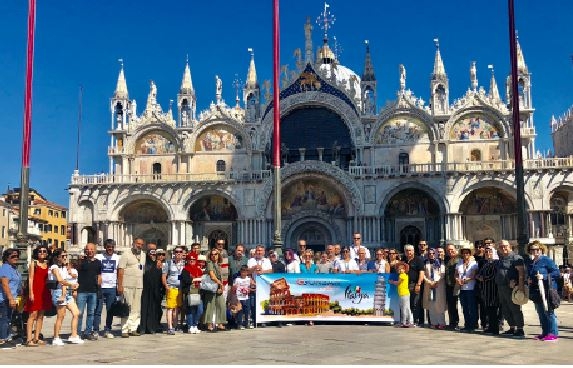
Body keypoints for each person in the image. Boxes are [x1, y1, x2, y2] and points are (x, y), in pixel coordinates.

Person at [526, 241, 560, 341]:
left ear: (541, 250)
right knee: (541, 312)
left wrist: (543, 276)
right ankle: (545, 333)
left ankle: (553, 334)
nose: (535, 251)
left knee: (549, 312)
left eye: (537, 249)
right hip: (536, 291)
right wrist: (529, 279)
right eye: (532, 249)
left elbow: (556, 273)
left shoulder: (546, 260)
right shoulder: (531, 262)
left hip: (547, 289)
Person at [48, 249, 83, 345]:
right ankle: (56, 337)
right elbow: (60, 280)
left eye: (65, 255)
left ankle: (74, 335)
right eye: (63, 256)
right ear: (57, 257)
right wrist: (71, 285)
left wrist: (74, 285)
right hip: (58, 292)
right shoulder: (54, 267)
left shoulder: (64, 267)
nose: (65, 258)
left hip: (67, 292)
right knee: (61, 315)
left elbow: (70, 278)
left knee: (76, 313)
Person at [495, 239, 525, 339]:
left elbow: (522, 272)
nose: (503, 248)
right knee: (505, 309)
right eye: (501, 246)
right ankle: (512, 327)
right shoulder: (501, 259)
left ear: (510, 247)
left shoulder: (516, 258)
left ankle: (520, 329)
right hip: (501, 287)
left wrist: (518, 284)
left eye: (505, 246)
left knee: (515, 309)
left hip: (512, 288)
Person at [24, 244, 52, 347]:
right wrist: (31, 292)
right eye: (40, 251)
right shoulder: (34, 263)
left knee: (41, 315)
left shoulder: (48, 264)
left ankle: (36, 338)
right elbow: (30, 278)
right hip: (35, 291)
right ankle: (29, 339)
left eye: (44, 251)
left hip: (44, 292)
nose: (42, 253)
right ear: (37, 253)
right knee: (32, 315)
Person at [117, 238, 145, 338]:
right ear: (133, 244)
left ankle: (133, 328)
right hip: (127, 285)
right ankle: (124, 329)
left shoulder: (143, 255)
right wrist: (120, 285)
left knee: (136, 308)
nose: (139, 246)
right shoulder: (126, 254)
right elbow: (120, 271)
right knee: (126, 307)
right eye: (138, 244)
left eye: (141, 244)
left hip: (138, 285)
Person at [76, 243, 103, 341]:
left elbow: (99, 276)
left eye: (92, 249)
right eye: (88, 249)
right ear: (85, 251)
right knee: (79, 313)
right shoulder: (80, 262)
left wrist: (99, 287)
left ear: (95, 251)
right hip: (81, 291)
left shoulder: (98, 262)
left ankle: (87, 332)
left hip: (93, 291)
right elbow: (73, 272)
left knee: (91, 313)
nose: (90, 251)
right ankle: (77, 333)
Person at [94, 239, 120, 339]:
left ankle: (108, 329)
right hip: (100, 287)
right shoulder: (99, 257)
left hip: (112, 287)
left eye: (112, 247)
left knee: (110, 310)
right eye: (108, 247)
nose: (110, 249)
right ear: (105, 247)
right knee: (98, 309)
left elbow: (119, 272)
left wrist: (119, 285)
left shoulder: (117, 258)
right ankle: (95, 329)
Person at [0, 248, 23, 349]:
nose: (16, 258)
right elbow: (5, 284)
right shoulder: (5, 268)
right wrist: (10, 298)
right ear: (6, 258)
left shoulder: (13, 268)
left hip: (12, 298)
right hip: (4, 299)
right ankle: (2, 340)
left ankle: (7, 338)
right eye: (13, 256)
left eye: (17, 256)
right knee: (4, 319)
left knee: (9, 319)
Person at [139, 244, 163, 335]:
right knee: (144, 308)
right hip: (145, 289)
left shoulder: (158, 264)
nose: (152, 255)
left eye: (154, 253)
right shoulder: (144, 263)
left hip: (155, 290)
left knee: (153, 308)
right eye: (151, 253)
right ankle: (143, 328)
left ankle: (152, 327)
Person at [475, 244, 499, 335]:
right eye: (486, 252)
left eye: (490, 252)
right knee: (488, 309)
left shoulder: (496, 262)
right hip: (485, 289)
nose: (488, 253)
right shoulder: (486, 263)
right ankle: (491, 327)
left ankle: (495, 329)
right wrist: (479, 276)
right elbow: (479, 273)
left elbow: (493, 275)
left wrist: (483, 278)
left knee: (493, 309)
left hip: (493, 289)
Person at [202, 249, 227, 332]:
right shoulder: (210, 263)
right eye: (212, 254)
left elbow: (221, 276)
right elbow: (212, 276)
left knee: (221, 304)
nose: (214, 256)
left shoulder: (218, 264)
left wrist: (221, 286)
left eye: (216, 254)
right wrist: (220, 283)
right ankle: (209, 324)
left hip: (218, 286)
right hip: (211, 287)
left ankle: (220, 323)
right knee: (210, 305)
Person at [455, 245, 478, 333]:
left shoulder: (474, 263)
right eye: (464, 253)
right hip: (462, 289)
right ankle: (467, 324)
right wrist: (457, 279)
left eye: (467, 253)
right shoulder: (459, 263)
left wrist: (464, 280)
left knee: (472, 307)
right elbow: (456, 274)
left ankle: (473, 325)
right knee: (464, 307)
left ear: (470, 253)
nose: (465, 254)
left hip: (470, 288)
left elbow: (473, 275)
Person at [422, 248, 446, 329]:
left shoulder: (440, 262)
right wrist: (429, 282)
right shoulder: (425, 262)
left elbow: (442, 274)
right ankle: (434, 322)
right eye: (429, 253)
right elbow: (423, 274)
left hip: (438, 286)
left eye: (433, 253)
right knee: (431, 304)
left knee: (439, 304)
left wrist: (436, 282)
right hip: (429, 286)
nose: (431, 255)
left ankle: (441, 322)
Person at [163, 246, 185, 335]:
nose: (178, 253)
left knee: (176, 308)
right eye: (177, 252)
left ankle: (175, 326)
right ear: (174, 253)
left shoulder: (184, 263)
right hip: (171, 287)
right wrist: (166, 285)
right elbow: (164, 275)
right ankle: (169, 327)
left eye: (180, 252)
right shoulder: (168, 263)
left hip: (180, 288)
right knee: (170, 308)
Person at [180, 252, 204, 334]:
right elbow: (186, 280)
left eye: (193, 259)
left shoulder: (198, 269)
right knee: (190, 310)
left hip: (198, 292)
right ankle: (190, 326)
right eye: (190, 259)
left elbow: (202, 279)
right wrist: (195, 280)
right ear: (187, 260)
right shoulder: (185, 269)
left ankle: (195, 324)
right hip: (189, 292)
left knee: (200, 310)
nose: (192, 261)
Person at [404, 244, 425, 327]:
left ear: (413, 251)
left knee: (416, 302)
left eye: (410, 250)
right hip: (406, 285)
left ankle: (418, 321)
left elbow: (421, 272)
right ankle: (410, 320)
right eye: (407, 250)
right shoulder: (404, 260)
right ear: (405, 252)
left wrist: (419, 284)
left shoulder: (418, 260)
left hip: (415, 284)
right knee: (408, 303)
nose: (409, 252)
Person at [389, 262, 412, 327]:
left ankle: (404, 322)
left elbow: (398, 283)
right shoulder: (404, 275)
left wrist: (392, 282)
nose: (400, 270)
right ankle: (407, 322)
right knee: (406, 308)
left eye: (402, 269)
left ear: (405, 270)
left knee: (404, 308)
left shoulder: (402, 275)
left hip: (404, 294)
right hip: (404, 294)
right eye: (399, 269)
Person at [444, 243, 460, 330]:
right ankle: (452, 322)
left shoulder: (459, 259)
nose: (450, 252)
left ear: (455, 249)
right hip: (449, 285)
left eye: (452, 250)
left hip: (457, 285)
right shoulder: (446, 259)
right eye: (448, 250)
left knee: (457, 305)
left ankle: (456, 322)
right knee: (451, 305)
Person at [232, 265, 253, 330]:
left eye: (245, 272)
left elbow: (254, 286)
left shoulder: (249, 279)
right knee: (240, 311)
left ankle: (247, 324)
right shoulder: (237, 279)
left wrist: (251, 289)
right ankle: (239, 324)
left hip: (246, 297)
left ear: (247, 272)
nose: (243, 273)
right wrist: (235, 288)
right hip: (239, 298)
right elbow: (233, 288)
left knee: (247, 311)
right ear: (240, 272)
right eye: (242, 272)